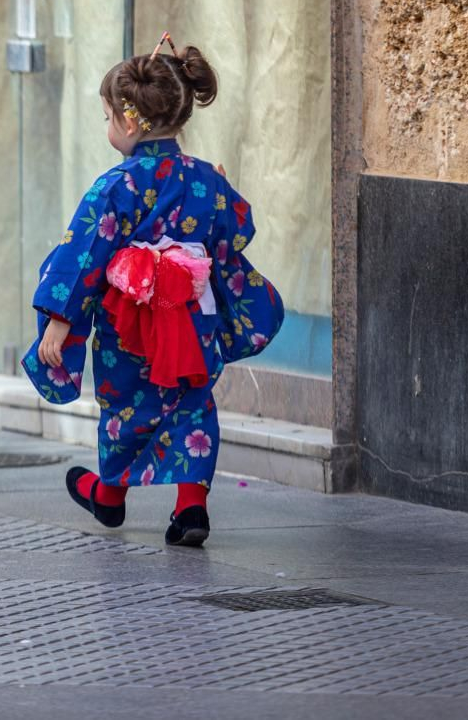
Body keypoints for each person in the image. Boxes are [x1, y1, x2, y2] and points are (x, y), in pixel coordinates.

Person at [22, 35, 284, 547]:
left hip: (131, 322)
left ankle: (110, 495)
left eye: (106, 117)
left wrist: (60, 318)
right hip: (191, 315)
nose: (107, 128)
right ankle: (191, 506)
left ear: (129, 121)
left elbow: (83, 256)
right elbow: (238, 229)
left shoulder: (115, 186)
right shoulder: (205, 179)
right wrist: (220, 191)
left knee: (126, 405)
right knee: (191, 402)